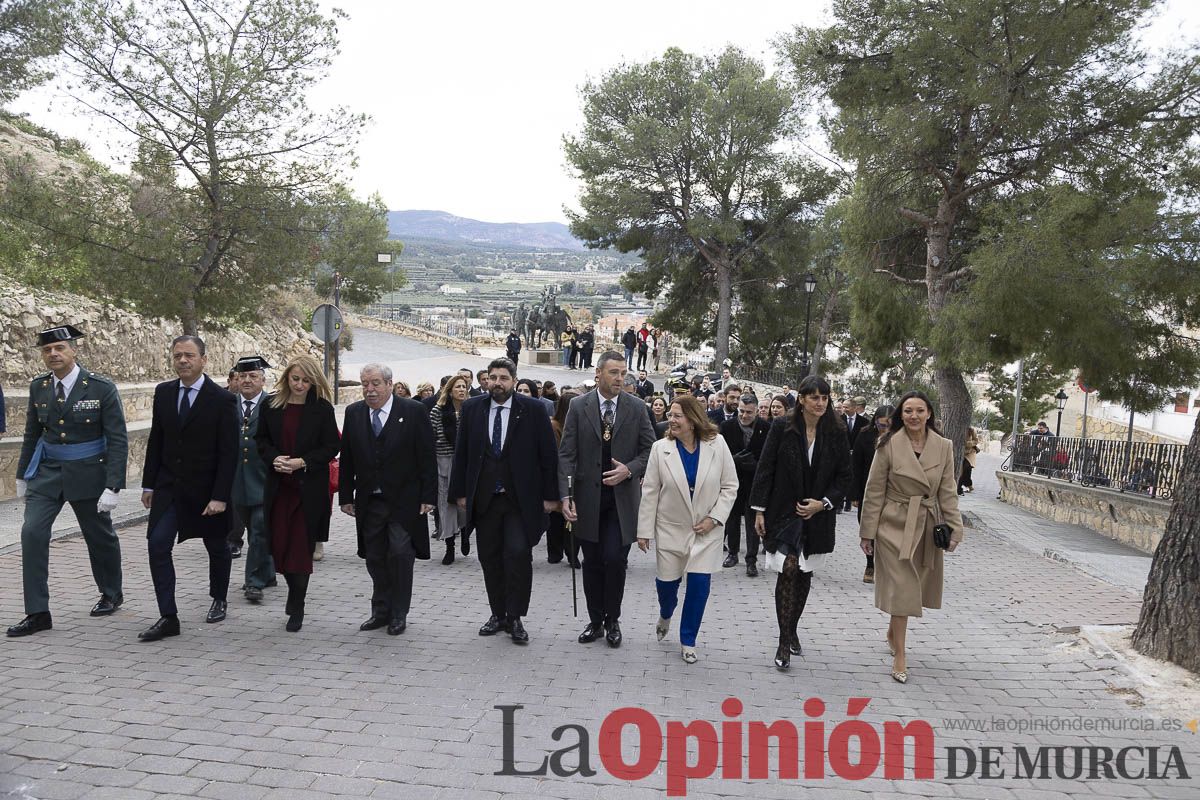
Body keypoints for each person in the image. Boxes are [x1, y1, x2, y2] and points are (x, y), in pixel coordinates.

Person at [8, 325, 127, 638]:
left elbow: (117, 439)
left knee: (99, 535)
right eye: (47, 350)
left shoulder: (100, 388)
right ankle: (37, 612)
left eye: (59, 348)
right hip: (47, 473)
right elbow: (33, 433)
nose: (53, 354)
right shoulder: (39, 387)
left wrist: (113, 485)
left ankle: (111, 592)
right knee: (32, 533)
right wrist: (23, 474)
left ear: (74, 350)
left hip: (89, 471)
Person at [448, 357, 559, 644]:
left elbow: (548, 455)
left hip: (520, 499)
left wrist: (551, 497)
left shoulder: (533, 410)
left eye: (503, 378)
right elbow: (462, 453)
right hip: (485, 498)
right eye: (493, 377)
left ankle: (516, 616)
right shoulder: (473, 408)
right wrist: (459, 492)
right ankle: (497, 614)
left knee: (518, 554)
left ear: (513, 380)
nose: (497, 383)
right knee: (490, 557)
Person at [138, 335, 238, 642]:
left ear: (203, 360)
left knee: (216, 546)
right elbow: (157, 439)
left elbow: (229, 452)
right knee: (157, 544)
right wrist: (149, 483)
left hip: (207, 490)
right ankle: (168, 616)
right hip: (170, 487)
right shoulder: (164, 392)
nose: (183, 360)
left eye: (189, 355)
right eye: (178, 355)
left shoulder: (221, 399)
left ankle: (219, 596)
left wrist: (220, 496)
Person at [859, 390, 964, 684]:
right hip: (892, 524)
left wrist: (955, 527)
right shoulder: (888, 444)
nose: (913, 416)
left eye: (919, 410)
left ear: (929, 413)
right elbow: (874, 490)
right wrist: (867, 532)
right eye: (907, 411)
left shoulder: (944, 446)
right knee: (904, 586)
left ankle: (893, 632)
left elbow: (947, 490)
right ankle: (901, 654)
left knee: (906, 587)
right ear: (900, 415)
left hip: (925, 526)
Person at [749, 375, 852, 670]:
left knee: (804, 573)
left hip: (817, 515)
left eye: (825, 397)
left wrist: (824, 503)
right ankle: (783, 640)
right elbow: (766, 467)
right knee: (789, 567)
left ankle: (792, 627)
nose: (821, 403)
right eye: (815, 397)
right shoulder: (783, 427)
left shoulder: (836, 430)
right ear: (802, 399)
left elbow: (845, 476)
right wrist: (758, 510)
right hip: (784, 511)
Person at [559, 351, 657, 648]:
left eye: (623, 372)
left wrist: (630, 470)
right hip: (587, 499)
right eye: (613, 372)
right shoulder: (578, 406)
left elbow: (650, 448)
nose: (620, 378)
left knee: (614, 560)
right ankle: (595, 621)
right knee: (592, 563)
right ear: (598, 373)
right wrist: (565, 495)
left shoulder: (637, 407)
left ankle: (612, 618)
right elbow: (566, 453)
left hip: (621, 501)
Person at [637, 395, 738, 664]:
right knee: (667, 586)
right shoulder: (661, 448)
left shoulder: (717, 444)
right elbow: (650, 491)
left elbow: (730, 486)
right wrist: (644, 531)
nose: (671, 419)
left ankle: (688, 639)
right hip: (670, 529)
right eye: (670, 414)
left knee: (700, 585)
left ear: (693, 420)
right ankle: (666, 612)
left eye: (677, 415)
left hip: (706, 531)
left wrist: (715, 518)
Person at [339, 363, 437, 636]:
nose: (369, 390)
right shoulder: (354, 413)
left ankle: (398, 612)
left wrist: (429, 496)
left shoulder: (413, 411)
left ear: (389, 384)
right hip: (370, 501)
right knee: (374, 556)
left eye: (375, 384)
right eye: (365, 384)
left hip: (404, 500)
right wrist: (346, 496)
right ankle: (380, 610)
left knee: (400, 553)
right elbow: (347, 458)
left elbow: (427, 456)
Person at [255, 356, 340, 632]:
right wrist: (274, 459)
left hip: (308, 492)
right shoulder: (271, 404)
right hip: (280, 489)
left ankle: (298, 604)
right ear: (287, 378)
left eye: (306, 380)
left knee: (301, 550)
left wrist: (302, 462)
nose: (300, 384)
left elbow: (331, 446)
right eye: (295, 379)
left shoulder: (322, 409)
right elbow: (261, 441)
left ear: (313, 381)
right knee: (280, 545)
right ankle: (293, 590)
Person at [230, 356, 275, 603]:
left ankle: (253, 582)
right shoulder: (228, 404)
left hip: (265, 480)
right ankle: (267, 572)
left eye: (253, 376)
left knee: (259, 529)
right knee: (251, 529)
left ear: (262, 379)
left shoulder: (274, 405)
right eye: (243, 376)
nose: (247, 381)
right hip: (237, 481)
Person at [720, 394, 770, 576]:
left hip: (755, 482)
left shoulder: (766, 428)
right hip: (733, 481)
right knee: (732, 519)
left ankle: (751, 559)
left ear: (756, 411)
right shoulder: (727, 427)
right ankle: (733, 553)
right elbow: (719, 454)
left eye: (749, 412)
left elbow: (770, 456)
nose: (744, 415)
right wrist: (733, 460)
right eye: (741, 411)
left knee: (752, 521)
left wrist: (757, 465)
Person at [850, 405, 894, 585]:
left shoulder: (899, 438)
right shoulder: (865, 435)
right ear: (875, 422)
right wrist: (854, 494)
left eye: (889, 425)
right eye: (881, 425)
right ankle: (870, 564)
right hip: (867, 491)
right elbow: (856, 465)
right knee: (868, 528)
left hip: (891, 493)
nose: (885, 429)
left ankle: (886, 566)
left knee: (886, 532)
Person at [431, 374, 470, 565]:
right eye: (457, 387)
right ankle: (449, 546)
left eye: (464, 386)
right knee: (446, 505)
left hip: (465, 463)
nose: (461, 390)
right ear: (450, 390)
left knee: (463, 505)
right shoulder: (438, 411)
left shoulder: (471, 410)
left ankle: (464, 533)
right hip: (443, 461)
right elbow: (430, 434)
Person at [547, 389, 582, 567]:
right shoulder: (554, 426)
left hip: (575, 475)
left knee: (571, 517)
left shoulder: (580, 424)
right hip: (558, 475)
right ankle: (554, 552)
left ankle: (571, 552)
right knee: (556, 517)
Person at [959, 426, 980, 495]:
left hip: (970, 452)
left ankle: (967, 485)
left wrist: (968, 443)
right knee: (961, 469)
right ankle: (965, 485)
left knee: (967, 467)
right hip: (960, 452)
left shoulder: (971, 430)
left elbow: (976, 440)